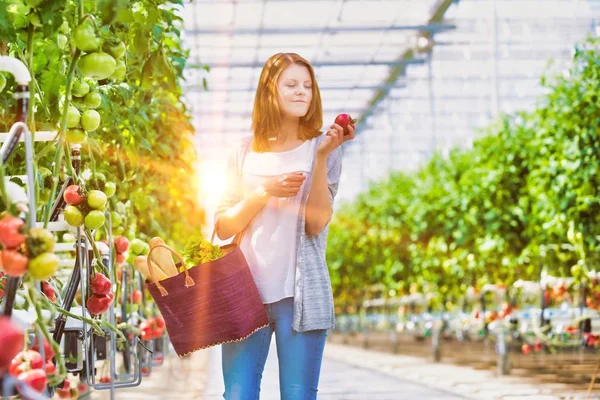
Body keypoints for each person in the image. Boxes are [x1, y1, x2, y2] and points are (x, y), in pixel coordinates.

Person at [214, 52, 355, 400]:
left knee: (299, 396)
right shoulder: (242, 151)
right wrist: (264, 192)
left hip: (300, 297)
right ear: (269, 91)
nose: (301, 92)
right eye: (291, 84)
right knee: (238, 394)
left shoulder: (322, 148)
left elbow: (317, 224)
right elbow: (223, 226)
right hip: (245, 294)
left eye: (307, 85)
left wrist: (321, 157)